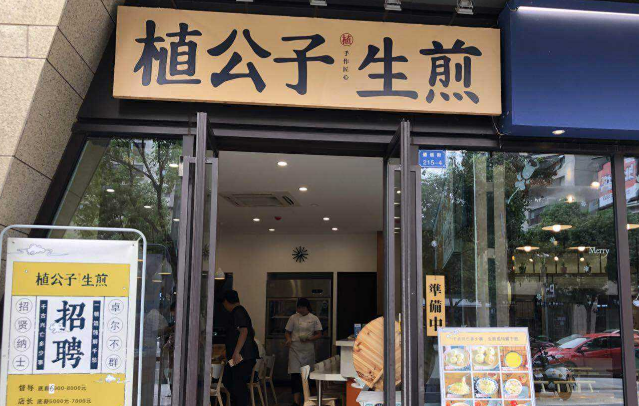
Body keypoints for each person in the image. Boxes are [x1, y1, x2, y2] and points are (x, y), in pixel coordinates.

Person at [221, 290, 259, 406]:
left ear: (226, 302)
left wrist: (236, 352)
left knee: (237, 383)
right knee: (228, 378)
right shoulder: (239, 311)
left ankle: (241, 403)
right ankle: (237, 402)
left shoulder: (238, 312)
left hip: (242, 356)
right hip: (240, 356)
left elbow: (244, 331)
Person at [285, 298, 323, 406]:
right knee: (295, 375)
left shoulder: (314, 318)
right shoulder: (293, 318)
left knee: (307, 375)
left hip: (308, 350)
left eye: (301, 308)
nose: (299, 310)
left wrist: (310, 338)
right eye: (298, 308)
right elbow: (287, 332)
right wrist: (288, 339)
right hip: (295, 349)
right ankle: (296, 402)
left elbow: (319, 334)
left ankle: (307, 399)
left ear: (307, 307)